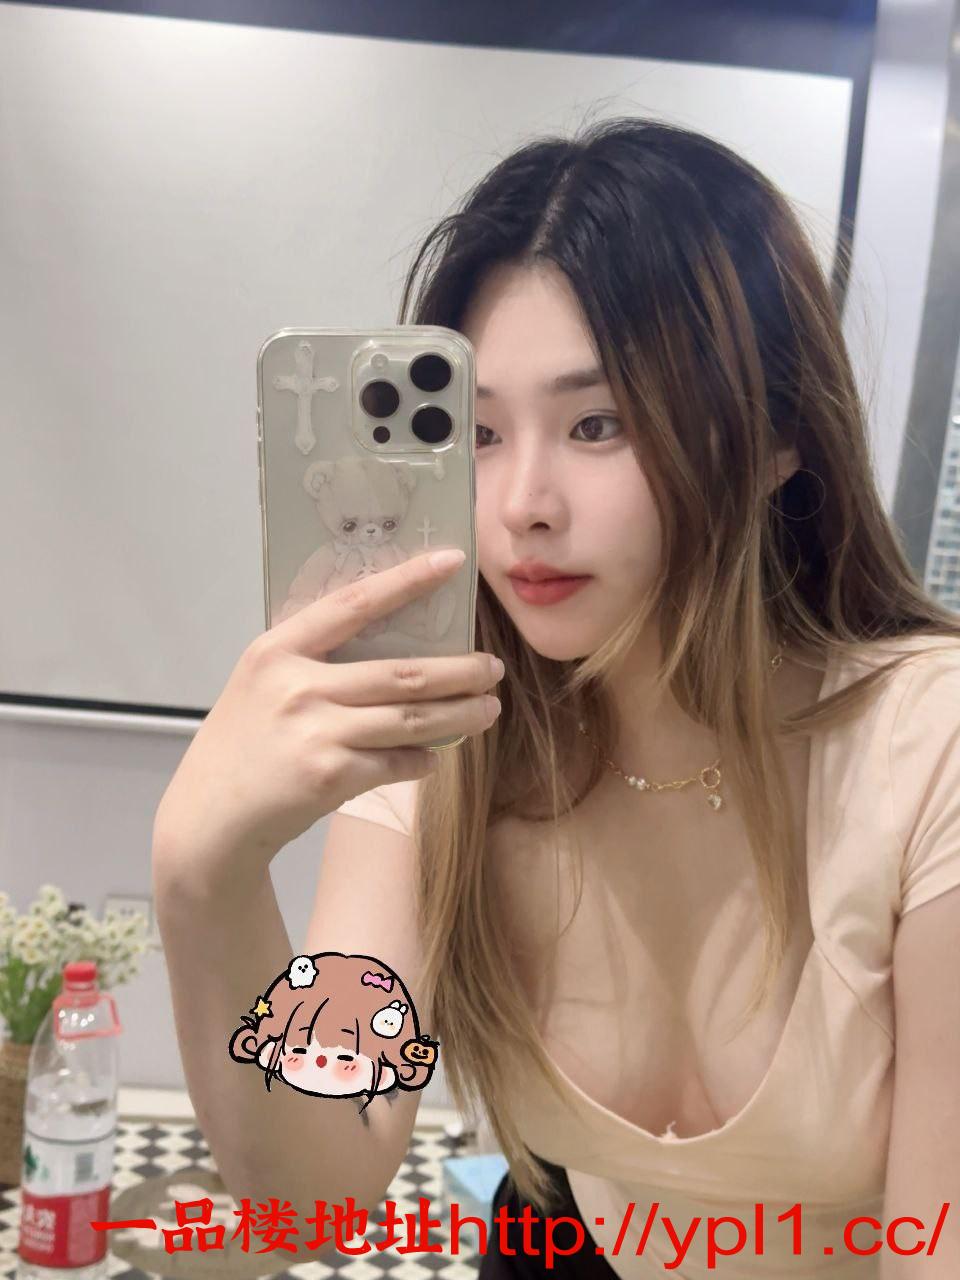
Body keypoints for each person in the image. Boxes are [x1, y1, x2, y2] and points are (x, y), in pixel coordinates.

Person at [152, 117, 960, 1278]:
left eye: (598, 423)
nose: (523, 501)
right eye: (476, 433)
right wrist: (203, 872)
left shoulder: (927, 749)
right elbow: (317, 1197)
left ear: (781, 433)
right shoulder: (443, 748)